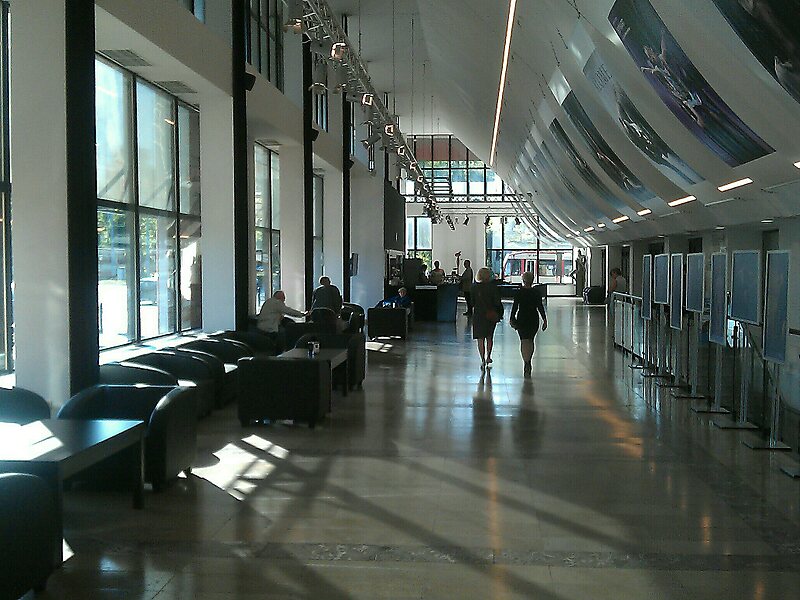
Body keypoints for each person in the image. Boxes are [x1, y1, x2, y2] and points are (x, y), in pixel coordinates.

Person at [510, 271, 548, 377]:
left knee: (523, 341)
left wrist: (512, 318)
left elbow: (515, 307)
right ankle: (529, 361)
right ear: (532, 280)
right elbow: (540, 306)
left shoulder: (519, 292)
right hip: (533, 318)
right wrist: (544, 319)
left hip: (522, 318)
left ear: (523, 280)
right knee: (531, 340)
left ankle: (525, 361)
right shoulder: (536, 293)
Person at [472, 267, 503, 370]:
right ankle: (488, 356)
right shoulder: (493, 287)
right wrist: (499, 313)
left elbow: (472, 302)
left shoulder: (474, 287)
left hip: (478, 315)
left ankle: (482, 359)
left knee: (480, 339)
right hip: (491, 315)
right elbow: (497, 302)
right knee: (489, 337)